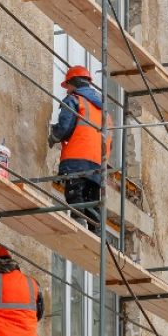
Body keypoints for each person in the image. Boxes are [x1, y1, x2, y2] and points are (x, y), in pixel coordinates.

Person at [48, 65, 111, 232]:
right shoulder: (103, 110)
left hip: (77, 158)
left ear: (73, 83)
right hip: (98, 162)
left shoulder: (75, 99)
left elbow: (65, 127)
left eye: (67, 85)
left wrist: (53, 137)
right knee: (92, 201)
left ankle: (78, 227)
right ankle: (96, 233)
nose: (67, 90)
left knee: (75, 196)